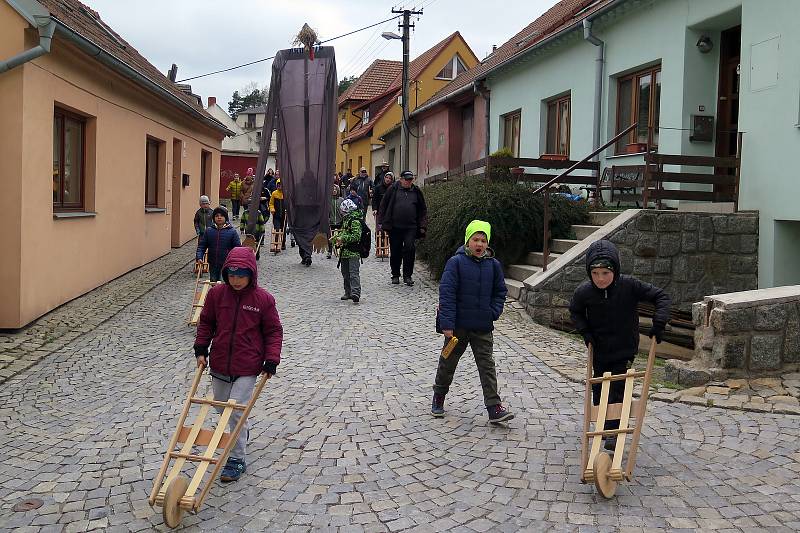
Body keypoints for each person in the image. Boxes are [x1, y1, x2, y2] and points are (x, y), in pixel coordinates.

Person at [569, 240, 671, 450]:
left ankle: (614, 430)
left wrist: (659, 323)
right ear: (589, 273)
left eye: (605, 273)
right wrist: (586, 332)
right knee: (599, 386)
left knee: (618, 386)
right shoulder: (585, 292)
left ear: (614, 270)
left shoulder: (629, 286)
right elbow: (575, 311)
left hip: (624, 348)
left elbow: (661, 296)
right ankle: (603, 425)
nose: (600, 279)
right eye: (595, 273)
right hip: (599, 348)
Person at [194, 247, 283, 482]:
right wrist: (201, 349)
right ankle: (241, 431)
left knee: (235, 413)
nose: (236, 280)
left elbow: (274, 331)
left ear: (251, 274)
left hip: (247, 366)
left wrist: (271, 359)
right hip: (220, 363)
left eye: (241, 276)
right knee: (222, 408)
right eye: (232, 275)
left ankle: (236, 458)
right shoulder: (216, 295)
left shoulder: (262, 300)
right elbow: (206, 323)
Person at [431, 220, 513, 423]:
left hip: (482, 326)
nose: (479, 244)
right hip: (457, 327)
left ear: (488, 243)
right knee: (447, 363)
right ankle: (439, 396)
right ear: (468, 241)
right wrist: (447, 324)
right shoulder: (456, 263)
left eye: (483, 240)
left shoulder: (493, 265)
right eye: (475, 239)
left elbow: (500, 292)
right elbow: (447, 293)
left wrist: (493, 312)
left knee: (487, 366)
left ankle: (494, 407)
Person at [378, 170, 427, 286]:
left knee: (410, 249)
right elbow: (384, 205)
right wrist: (382, 221)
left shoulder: (416, 191)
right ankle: (395, 274)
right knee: (395, 251)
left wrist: (423, 225)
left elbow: (423, 209)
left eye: (410, 179)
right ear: (401, 179)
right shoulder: (393, 189)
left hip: (411, 227)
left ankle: (407, 275)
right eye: (406, 179)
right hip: (395, 227)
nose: (408, 182)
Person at [331, 199, 363, 304]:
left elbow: (356, 236)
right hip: (344, 252)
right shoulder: (346, 219)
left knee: (353, 273)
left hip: (353, 251)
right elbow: (344, 232)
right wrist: (336, 238)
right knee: (345, 273)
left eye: (342, 210)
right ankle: (348, 292)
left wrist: (343, 239)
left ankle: (356, 293)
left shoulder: (355, 221)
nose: (341, 212)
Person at [197, 206, 241, 282]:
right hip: (213, 262)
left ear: (226, 218)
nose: (219, 218)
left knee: (223, 283)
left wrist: (236, 261)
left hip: (226, 263)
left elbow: (237, 249)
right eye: (217, 216)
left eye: (222, 216)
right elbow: (202, 246)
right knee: (213, 282)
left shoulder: (232, 232)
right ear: (214, 218)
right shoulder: (209, 231)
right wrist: (199, 257)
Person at [269, 179, 286, 251]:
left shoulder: (286, 194)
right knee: (277, 228)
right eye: (278, 185)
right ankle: (275, 244)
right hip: (276, 215)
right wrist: (272, 209)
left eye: (281, 185)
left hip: (284, 215)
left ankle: (282, 243)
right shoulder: (274, 193)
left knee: (283, 229)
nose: (280, 187)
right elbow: (271, 203)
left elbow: (289, 203)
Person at [328, 184, 344, 259]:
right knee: (330, 237)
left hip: (340, 221)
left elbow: (344, 210)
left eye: (335, 189)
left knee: (340, 237)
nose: (334, 191)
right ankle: (330, 251)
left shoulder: (341, 200)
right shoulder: (328, 200)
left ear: (338, 190)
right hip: (331, 221)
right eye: (332, 189)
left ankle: (340, 249)